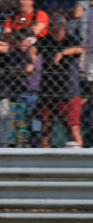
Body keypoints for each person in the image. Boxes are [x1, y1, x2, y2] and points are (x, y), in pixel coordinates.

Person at [35, 15, 84, 147]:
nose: (50, 28)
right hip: (47, 91)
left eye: (52, 25)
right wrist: (31, 58)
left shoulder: (71, 38)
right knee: (45, 129)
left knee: (73, 129)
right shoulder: (46, 40)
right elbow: (34, 48)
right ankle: (43, 158)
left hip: (68, 92)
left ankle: (79, 157)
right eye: (49, 25)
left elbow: (78, 48)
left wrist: (62, 53)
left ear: (62, 26)